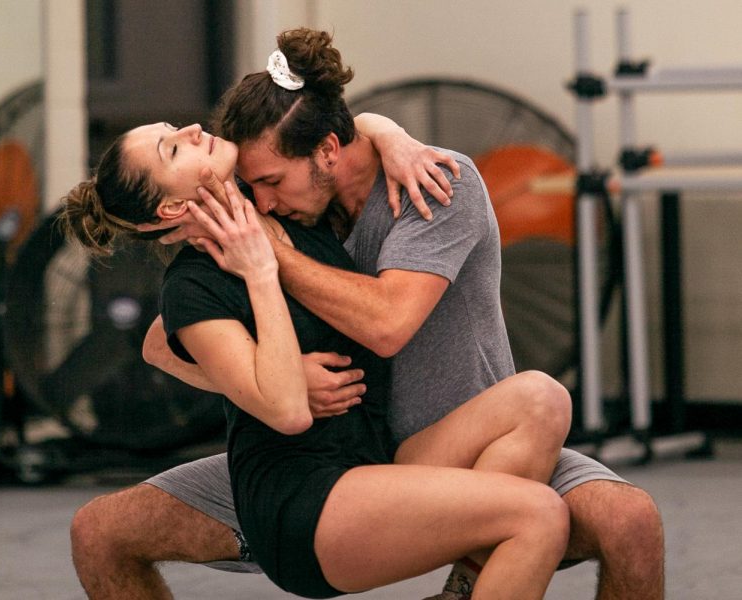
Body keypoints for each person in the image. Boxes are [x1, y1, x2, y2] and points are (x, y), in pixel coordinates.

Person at [71, 28, 664, 600]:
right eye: (258, 183)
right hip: (313, 471)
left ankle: (466, 582)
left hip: (437, 446)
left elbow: (385, 324)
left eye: (272, 180)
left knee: (577, 450)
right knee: (100, 530)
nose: (266, 196)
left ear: (330, 151)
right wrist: (270, 379)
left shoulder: (424, 185)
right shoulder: (271, 213)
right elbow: (163, 341)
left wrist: (384, 136)